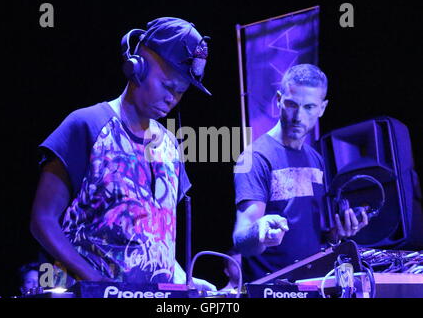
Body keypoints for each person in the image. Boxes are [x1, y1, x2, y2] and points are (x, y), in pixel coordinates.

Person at [30, 17, 215, 291]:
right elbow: (42, 221)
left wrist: (182, 280)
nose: (172, 99)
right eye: (167, 86)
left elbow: (155, 242)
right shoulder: (87, 125)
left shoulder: (170, 147)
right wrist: (96, 282)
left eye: (181, 92)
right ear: (137, 66)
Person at [232, 64, 369, 282]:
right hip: (271, 289)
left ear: (322, 108)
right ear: (279, 99)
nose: (298, 116)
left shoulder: (316, 160)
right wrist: (260, 231)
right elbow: (241, 239)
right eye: (292, 105)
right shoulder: (256, 158)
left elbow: (318, 237)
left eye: (309, 107)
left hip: (313, 285)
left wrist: (339, 234)